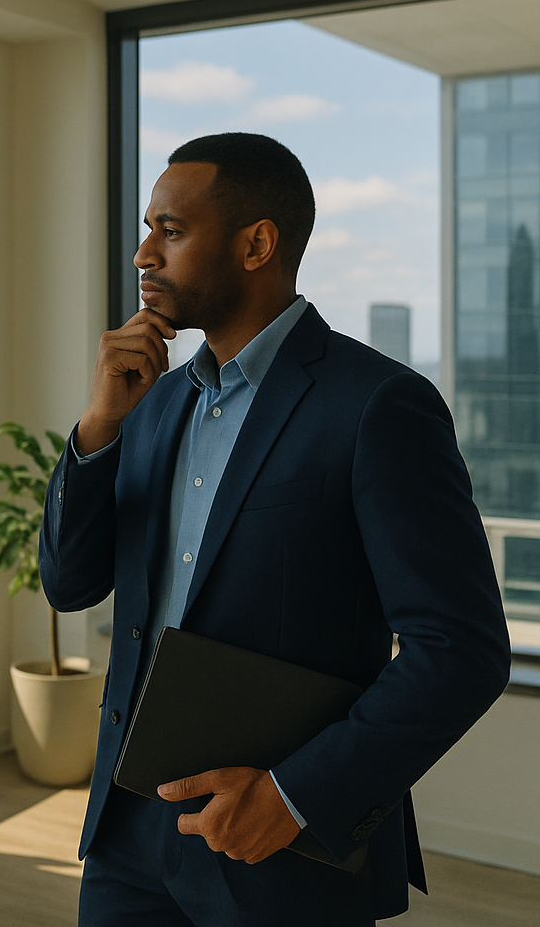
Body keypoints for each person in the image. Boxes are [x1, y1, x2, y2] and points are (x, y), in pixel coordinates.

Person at [39, 132, 511, 926]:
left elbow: (460, 650)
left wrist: (295, 796)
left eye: (172, 231)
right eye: (149, 230)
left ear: (257, 243)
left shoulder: (376, 406)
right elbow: (70, 581)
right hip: (126, 839)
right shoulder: (147, 399)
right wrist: (97, 428)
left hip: (277, 852)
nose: (143, 254)